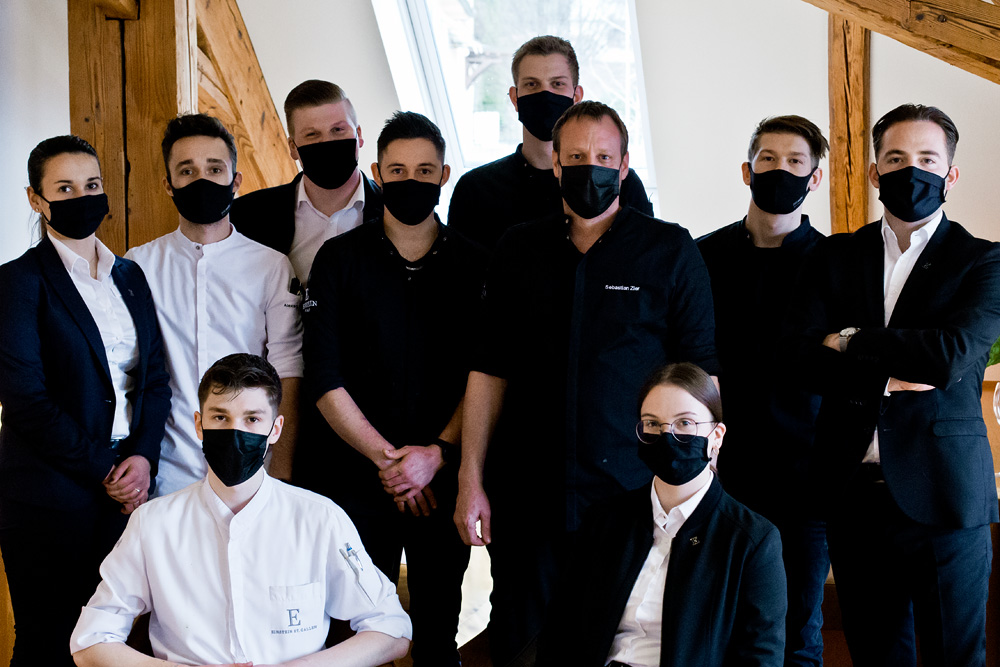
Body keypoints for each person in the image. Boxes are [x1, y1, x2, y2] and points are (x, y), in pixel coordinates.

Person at [455, 101, 718, 666]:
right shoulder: (517, 249)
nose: (589, 168)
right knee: (522, 646)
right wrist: (469, 479)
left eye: (602, 157)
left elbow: (701, 379)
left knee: (623, 645)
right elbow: (488, 372)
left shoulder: (670, 250)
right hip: (529, 498)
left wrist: (702, 481)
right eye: (575, 157)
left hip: (634, 494)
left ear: (624, 166)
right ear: (555, 164)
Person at [788, 103, 1000, 667]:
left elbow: (949, 358)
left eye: (928, 159)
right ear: (875, 171)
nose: (912, 171)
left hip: (945, 495)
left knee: (956, 657)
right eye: (897, 158)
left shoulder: (983, 261)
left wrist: (849, 340)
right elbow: (803, 359)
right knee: (876, 655)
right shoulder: (834, 254)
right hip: (852, 494)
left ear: (950, 174)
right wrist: (895, 365)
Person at [69, 353, 412, 667]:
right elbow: (89, 641)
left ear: (275, 429)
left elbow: (392, 629)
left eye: (252, 419)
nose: (236, 432)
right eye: (221, 417)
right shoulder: (152, 524)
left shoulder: (320, 519)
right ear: (200, 425)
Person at [301, 111, 484, 666]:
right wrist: (390, 462)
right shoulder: (338, 260)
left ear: (444, 175)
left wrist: (435, 455)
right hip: (355, 479)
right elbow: (324, 376)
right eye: (398, 170)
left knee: (437, 636)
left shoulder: (476, 264)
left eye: (425, 170)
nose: (411, 180)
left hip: (442, 480)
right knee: (352, 638)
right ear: (378, 172)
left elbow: (483, 375)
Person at [0, 135, 171, 666]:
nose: (83, 197)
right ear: (36, 199)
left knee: (114, 642)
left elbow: (154, 378)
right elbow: (25, 399)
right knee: (49, 641)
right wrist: (106, 469)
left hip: (127, 490)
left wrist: (142, 457)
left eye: (92, 185)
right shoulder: (18, 282)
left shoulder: (130, 275)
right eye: (65, 188)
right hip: (50, 494)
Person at [539, 362, 786, 667]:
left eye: (685, 423)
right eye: (653, 424)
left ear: (717, 436)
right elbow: (560, 631)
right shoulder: (603, 521)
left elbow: (761, 657)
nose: (667, 437)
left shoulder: (753, 540)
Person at [697, 115, 829, 666]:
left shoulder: (835, 263)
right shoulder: (703, 256)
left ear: (814, 178)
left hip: (807, 473)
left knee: (799, 625)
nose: (780, 170)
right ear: (747, 170)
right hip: (722, 470)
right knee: (721, 617)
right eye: (768, 159)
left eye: (795, 162)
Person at [126, 114, 303, 494]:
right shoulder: (138, 265)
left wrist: (281, 468)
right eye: (187, 171)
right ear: (168, 184)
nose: (201, 180)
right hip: (167, 469)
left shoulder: (271, 266)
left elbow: (288, 366)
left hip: (254, 468)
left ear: (235, 181)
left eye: (214, 169)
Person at [448, 35, 652, 249]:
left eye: (557, 84)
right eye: (532, 84)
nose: (545, 95)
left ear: (576, 96)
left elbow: (647, 257)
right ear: (515, 97)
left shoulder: (618, 182)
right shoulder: (475, 190)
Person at [230, 79, 382, 285]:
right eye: (312, 135)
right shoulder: (246, 215)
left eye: (338, 130)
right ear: (293, 147)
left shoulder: (393, 209)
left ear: (359, 135)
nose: (327, 143)